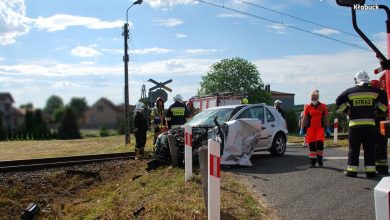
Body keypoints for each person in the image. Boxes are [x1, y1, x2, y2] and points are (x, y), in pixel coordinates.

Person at [336, 71, 387, 178]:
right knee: (370, 149)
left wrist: (347, 110)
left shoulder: (350, 91)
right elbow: (385, 102)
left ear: (356, 80)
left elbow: (338, 101)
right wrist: (378, 112)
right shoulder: (375, 91)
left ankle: (351, 171)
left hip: (354, 126)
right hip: (370, 126)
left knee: (354, 149)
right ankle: (371, 172)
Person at [300, 90, 330, 168]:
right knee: (312, 145)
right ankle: (312, 161)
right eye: (312, 97)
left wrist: (327, 127)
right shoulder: (308, 106)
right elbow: (305, 118)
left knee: (320, 144)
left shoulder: (323, 106)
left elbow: (325, 117)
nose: (313, 98)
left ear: (318, 97)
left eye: (315, 96)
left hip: (320, 128)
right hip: (311, 129)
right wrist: (302, 128)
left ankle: (320, 160)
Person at [370, 79, 389, 175]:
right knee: (381, 147)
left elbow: (384, 109)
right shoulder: (384, 94)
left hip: (375, 124)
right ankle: (382, 169)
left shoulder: (376, 96)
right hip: (381, 124)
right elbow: (386, 109)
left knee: (373, 146)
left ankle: (374, 167)